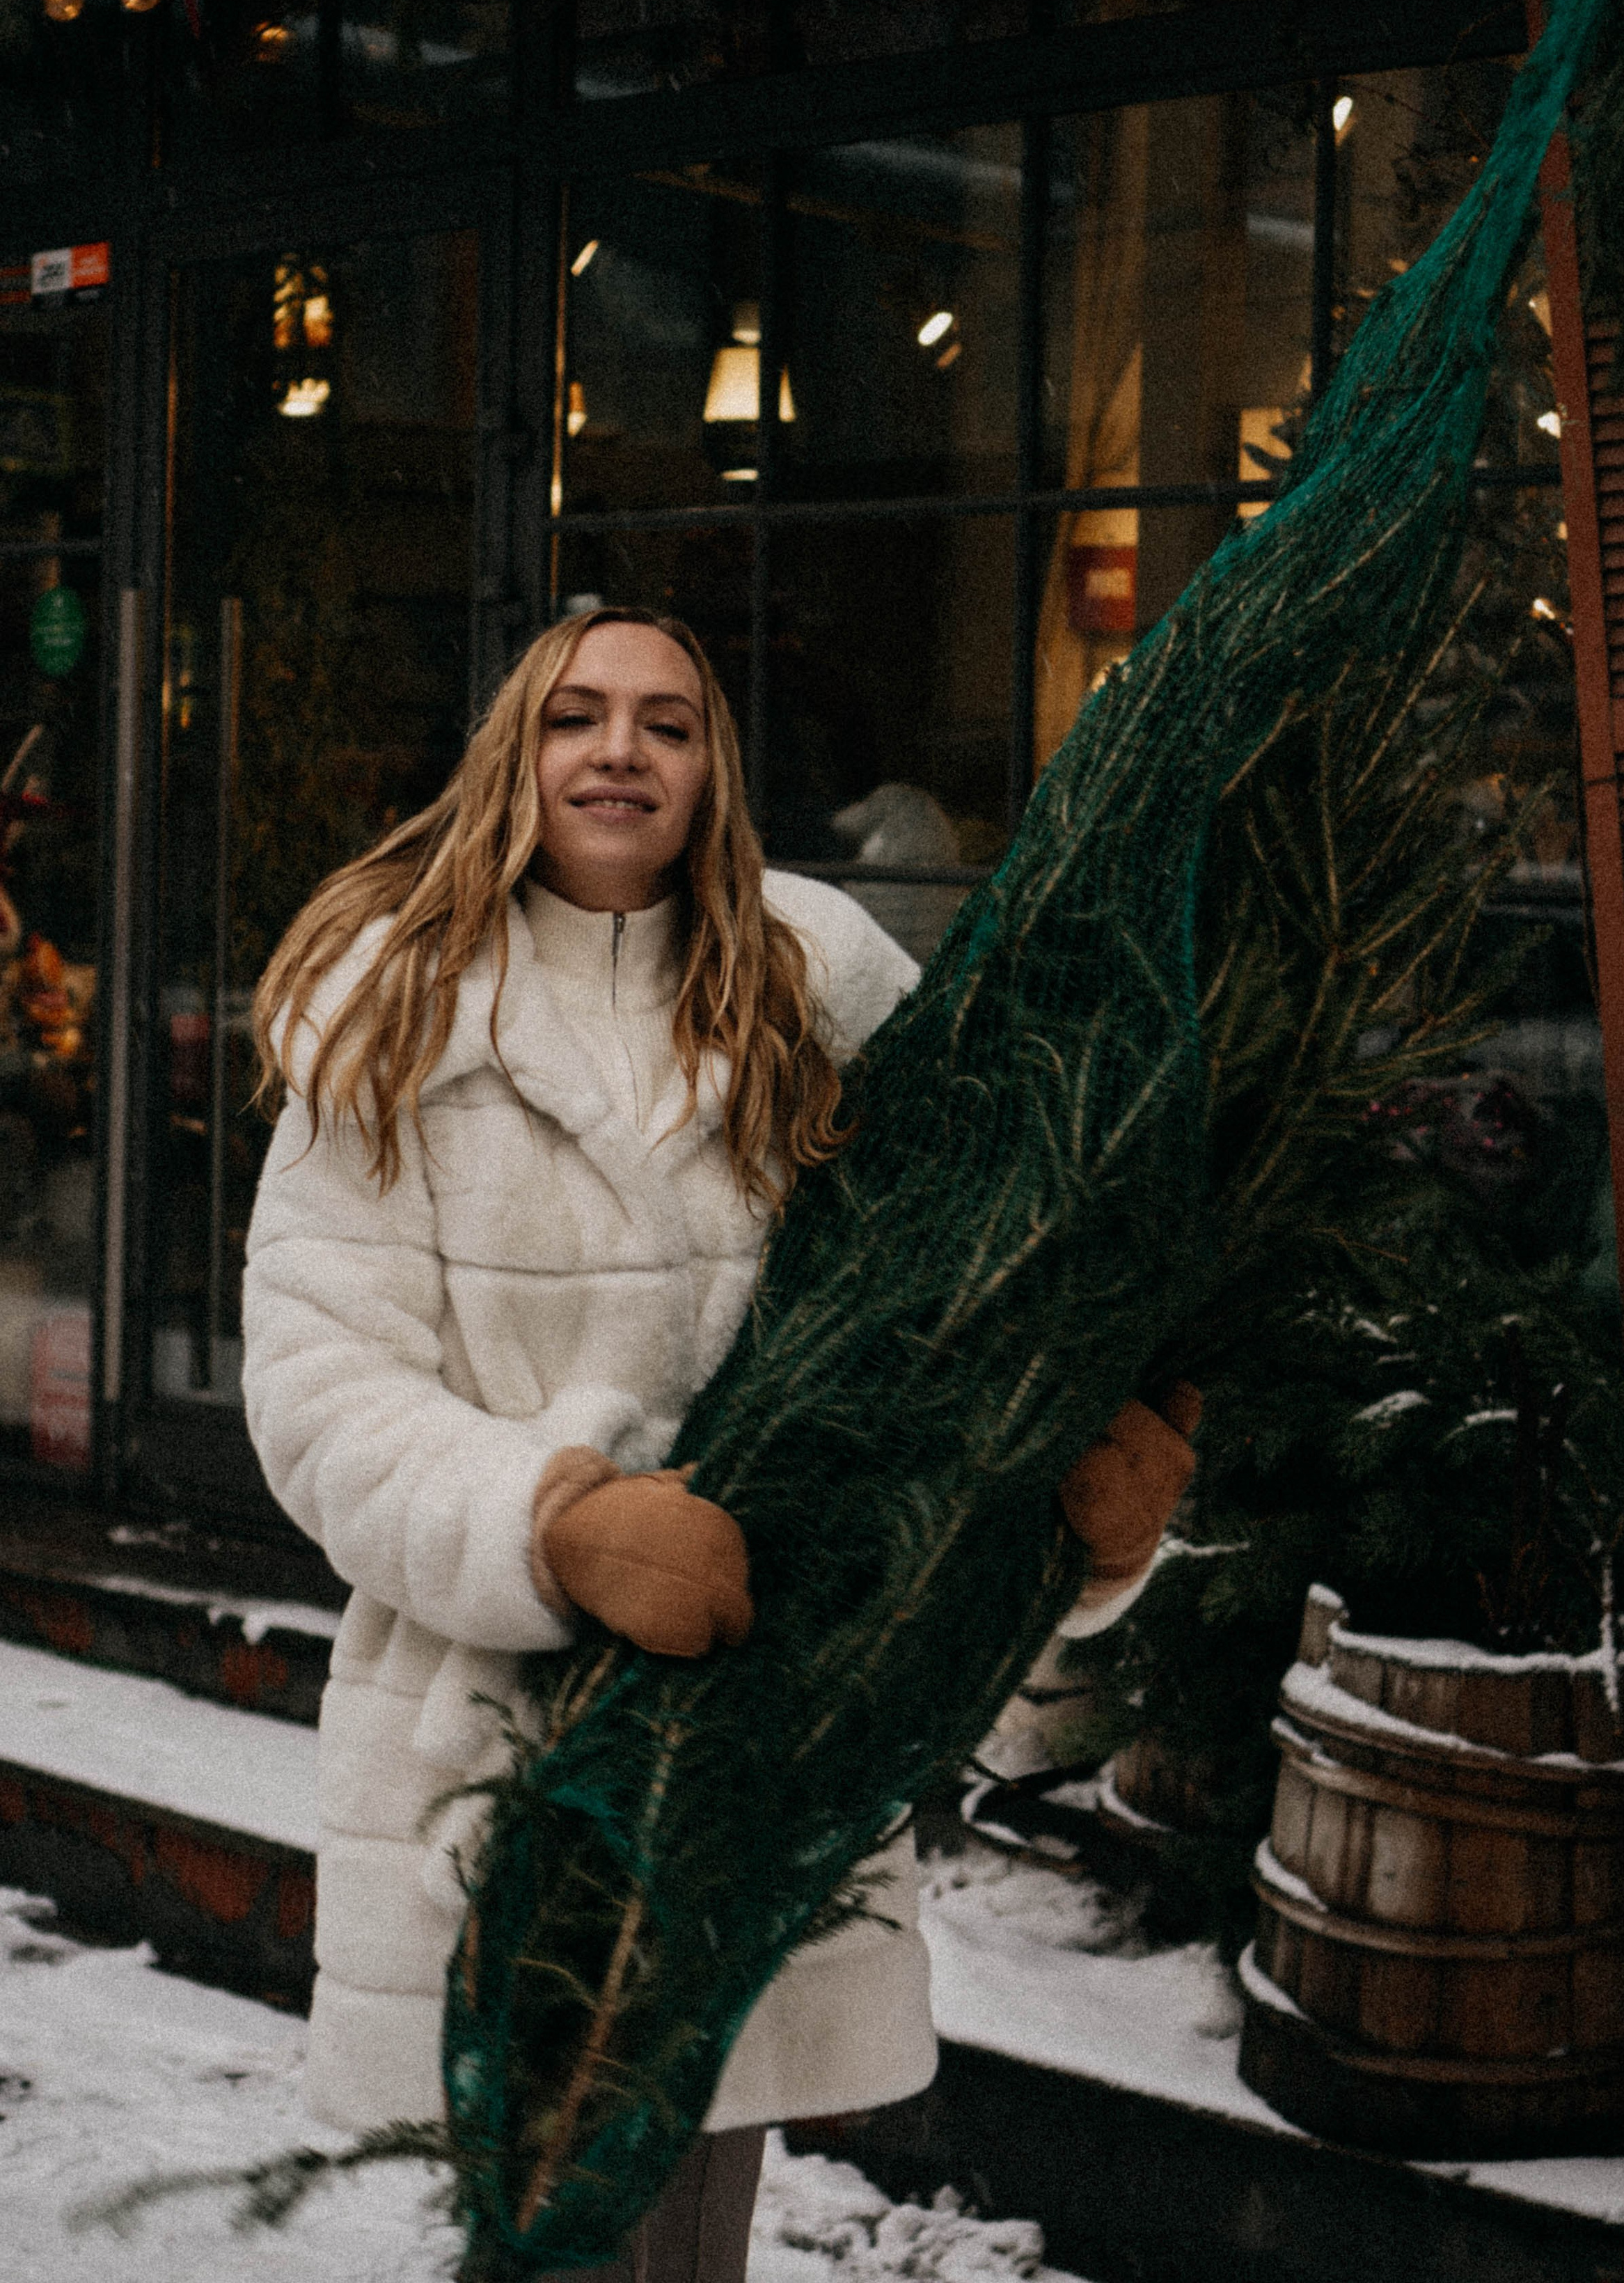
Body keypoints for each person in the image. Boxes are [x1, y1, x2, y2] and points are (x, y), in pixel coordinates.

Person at [242, 607, 1198, 2283]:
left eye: (667, 723)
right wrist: (555, 1526)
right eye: (578, 716)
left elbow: (950, 1340)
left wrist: (1072, 1529)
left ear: (713, 771)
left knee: (698, 2237)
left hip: (769, 1725)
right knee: (552, 2229)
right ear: (514, 755)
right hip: (502, 1741)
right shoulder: (394, 1007)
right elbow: (322, 1393)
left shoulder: (820, 988)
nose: (620, 750)